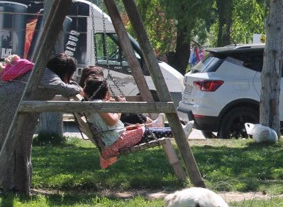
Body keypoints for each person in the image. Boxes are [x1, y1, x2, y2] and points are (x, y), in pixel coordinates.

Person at [0, 54, 82, 194]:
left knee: (6, 144)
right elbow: (66, 89)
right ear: (66, 71)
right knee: (21, 148)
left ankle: (9, 185)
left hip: (6, 102)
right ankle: (18, 187)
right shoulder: (49, 75)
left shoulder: (39, 71)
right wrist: (77, 86)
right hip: (15, 107)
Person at [83, 76, 192, 169]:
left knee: (140, 128)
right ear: (103, 91)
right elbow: (112, 121)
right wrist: (121, 108)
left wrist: (118, 106)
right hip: (114, 142)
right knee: (143, 130)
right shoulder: (97, 104)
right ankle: (179, 133)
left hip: (114, 139)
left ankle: (177, 131)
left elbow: (110, 121)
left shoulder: (93, 103)